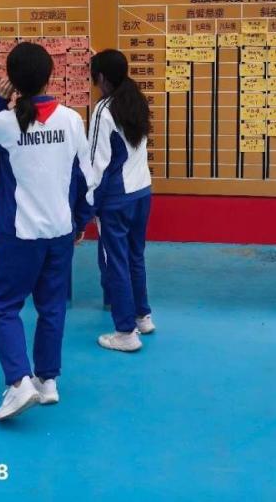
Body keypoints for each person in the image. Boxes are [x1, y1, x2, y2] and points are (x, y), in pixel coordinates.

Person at [0, 42, 95, 421]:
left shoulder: (6, 122)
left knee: (5, 305)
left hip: (19, 233)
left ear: (13, 80)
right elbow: (86, 176)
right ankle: (48, 380)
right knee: (52, 306)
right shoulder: (71, 120)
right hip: (60, 230)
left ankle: (19, 382)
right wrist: (81, 220)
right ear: (50, 76)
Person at [86, 49, 154, 353]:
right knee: (135, 256)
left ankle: (125, 332)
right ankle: (143, 317)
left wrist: (88, 205)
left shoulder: (103, 110)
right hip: (142, 192)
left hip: (116, 199)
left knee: (115, 262)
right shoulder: (136, 100)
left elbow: (96, 164)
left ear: (101, 77)